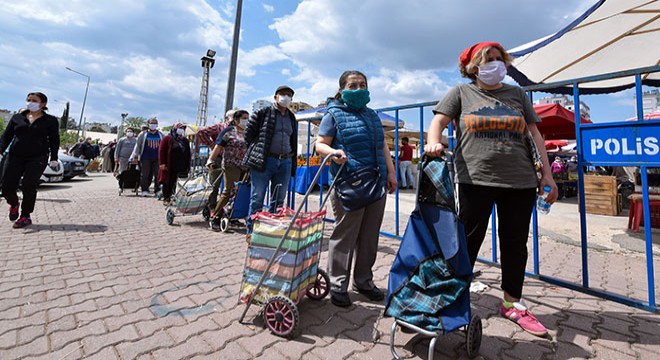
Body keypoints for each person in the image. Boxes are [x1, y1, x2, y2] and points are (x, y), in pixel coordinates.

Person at [424, 42, 557, 336]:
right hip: (475, 179)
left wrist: (547, 174)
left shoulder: (517, 94)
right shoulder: (460, 93)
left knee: (514, 243)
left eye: (499, 59)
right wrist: (434, 141)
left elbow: (534, 133)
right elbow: (438, 122)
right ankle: (454, 300)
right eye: (488, 60)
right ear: (472, 67)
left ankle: (512, 303)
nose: (495, 64)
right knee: (467, 241)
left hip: (520, 181)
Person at [315, 71, 397, 307]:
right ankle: (337, 283)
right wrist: (333, 153)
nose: (359, 89)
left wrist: (391, 173)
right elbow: (320, 144)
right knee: (345, 235)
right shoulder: (333, 114)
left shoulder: (372, 115)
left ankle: (363, 281)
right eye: (353, 85)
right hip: (348, 183)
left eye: (363, 85)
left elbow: (382, 146)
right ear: (342, 90)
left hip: (376, 182)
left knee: (370, 236)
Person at [243, 85, 298, 240]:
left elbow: (291, 139)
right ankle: (252, 232)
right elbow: (248, 135)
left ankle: (272, 232)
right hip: (264, 161)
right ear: (275, 97)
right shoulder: (262, 112)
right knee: (257, 197)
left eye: (289, 95)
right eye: (283, 94)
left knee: (279, 200)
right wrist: (257, 152)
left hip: (285, 161)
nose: (285, 98)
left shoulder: (292, 117)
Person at [0, 92, 60, 228]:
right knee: (6, 187)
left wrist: (54, 157)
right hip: (15, 156)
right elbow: (6, 136)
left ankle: (25, 216)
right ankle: (14, 203)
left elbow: (54, 140)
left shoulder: (50, 120)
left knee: (28, 185)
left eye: (34, 100)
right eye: (29, 100)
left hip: (37, 157)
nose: (30, 102)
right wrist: (0, 151)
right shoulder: (17, 118)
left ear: (43, 104)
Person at [207, 110, 249, 231]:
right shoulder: (228, 132)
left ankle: (232, 216)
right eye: (244, 118)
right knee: (229, 190)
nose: (246, 120)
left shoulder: (248, 133)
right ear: (236, 120)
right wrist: (211, 160)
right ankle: (215, 217)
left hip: (245, 166)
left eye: (247, 118)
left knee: (240, 192)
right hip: (231, 164)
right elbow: (218, 146)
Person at [207, 109, 235, 213]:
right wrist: (211, 145)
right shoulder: (219, 127)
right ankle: (212, 207)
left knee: (231, 188)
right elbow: (202, 133)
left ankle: (228, 210)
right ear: (227, 118)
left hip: (232, 161)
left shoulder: (238, 130)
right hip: (218, 159)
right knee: (215, 184)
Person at [158, 122, 191, 204]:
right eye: (179, 127)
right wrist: (162, 163)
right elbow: (161, 151)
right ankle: (167, 198)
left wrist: (188, 165)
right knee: (168, 182)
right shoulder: (167, 138)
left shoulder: (185, 140)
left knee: (181, 183)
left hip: (181, 165)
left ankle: (178, 198)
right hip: (170, 165)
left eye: (183, 128)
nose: (181, 130)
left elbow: (188, 153)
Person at [131, 118, 164, 197]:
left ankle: (157, 190)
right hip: (145, 158)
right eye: (151, 123)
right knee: (145, 174)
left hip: (157, 158)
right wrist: (135, 155)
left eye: (155, 123)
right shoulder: (143, 134)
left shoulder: (160, 134)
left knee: (157, 174)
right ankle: (145, 190)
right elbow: (138, 145)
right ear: (148, 124)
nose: (153, 125)